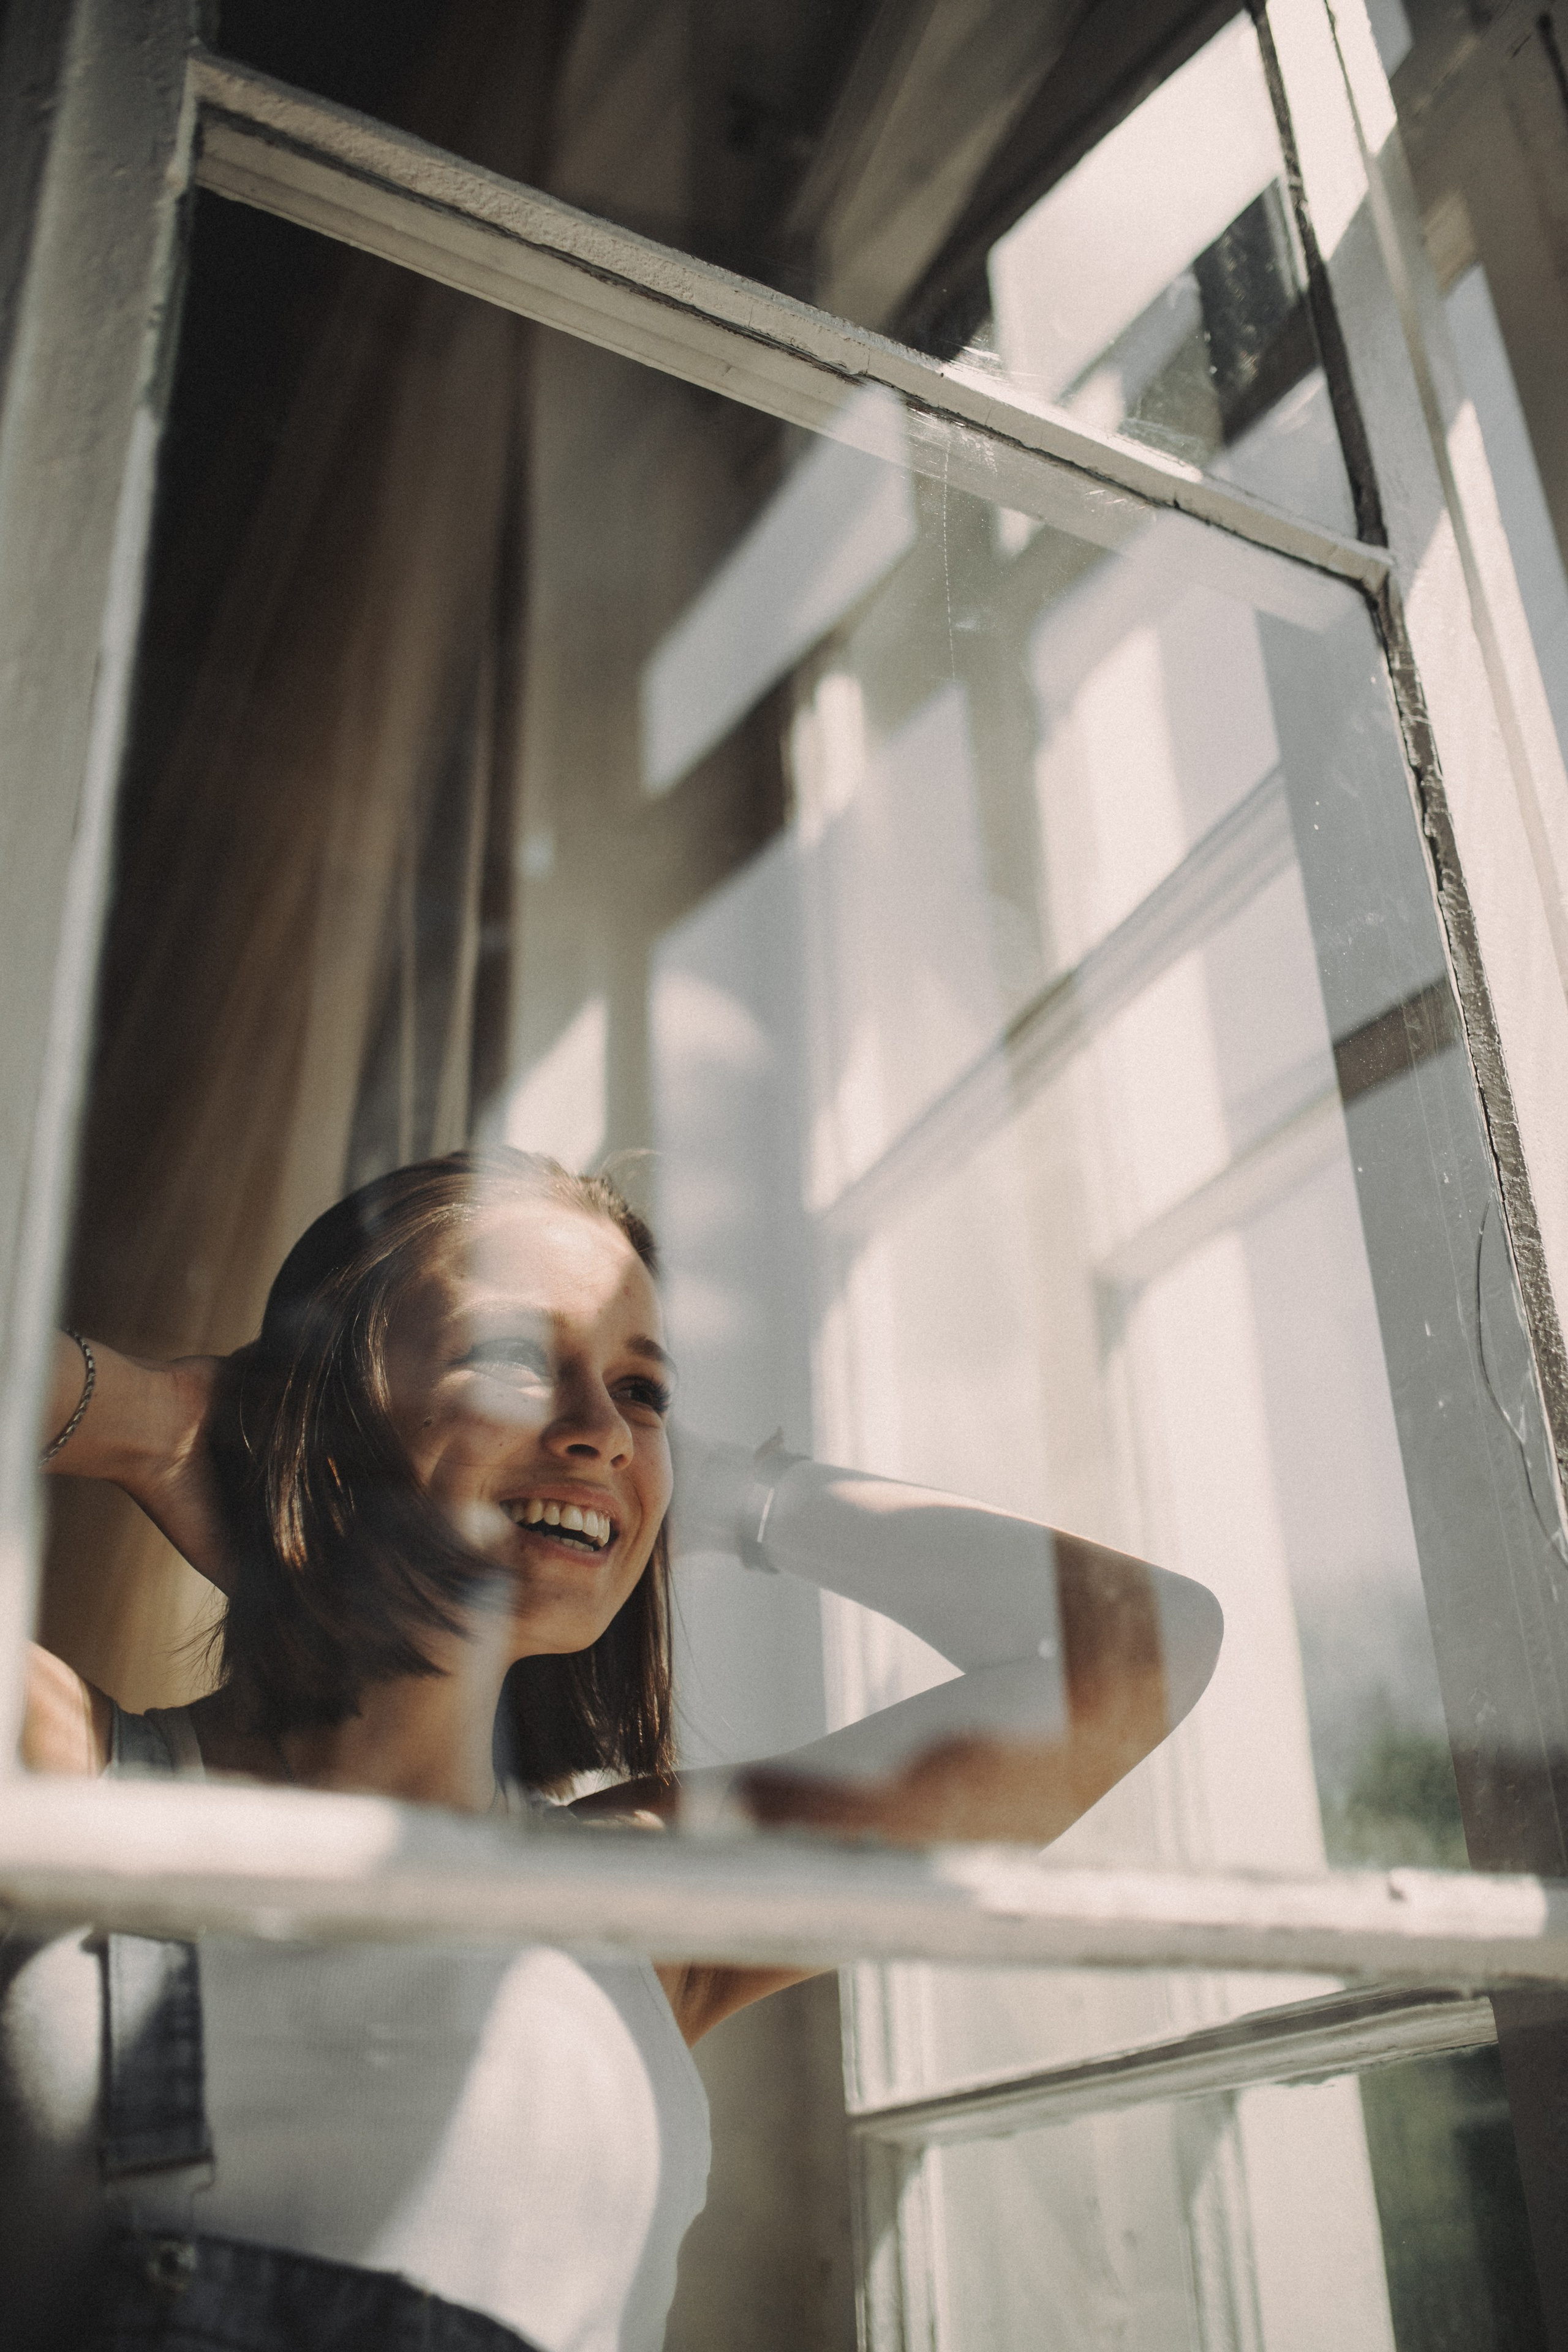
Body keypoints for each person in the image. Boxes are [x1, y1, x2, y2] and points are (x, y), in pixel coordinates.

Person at [12, 1147, 1222, 2352]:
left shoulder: (641, 1900)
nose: (597, 1427)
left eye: (642, 1392)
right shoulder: (56, 1771)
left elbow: (1140, 1649)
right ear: (315, 1416)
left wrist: (712, 1487)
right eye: (515, 1361)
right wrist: (157, 1420)